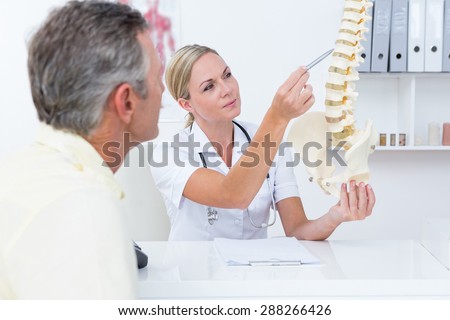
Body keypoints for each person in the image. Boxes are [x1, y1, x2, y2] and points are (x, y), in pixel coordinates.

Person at [0, 1, 164, 299]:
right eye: (157, 78)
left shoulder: (18, 171)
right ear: (126, 101)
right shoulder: (84, 214)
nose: (163, 90)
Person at [151, 44, 375, 241]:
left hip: (253, 278)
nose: (227, 89)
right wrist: (277, 116)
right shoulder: (169, 154)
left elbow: (297, 228)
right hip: (195, 279)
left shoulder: (267, 137)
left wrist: (336, 215)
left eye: (227, 75)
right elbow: (233, 195)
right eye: (209, 87)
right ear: (186, 105)